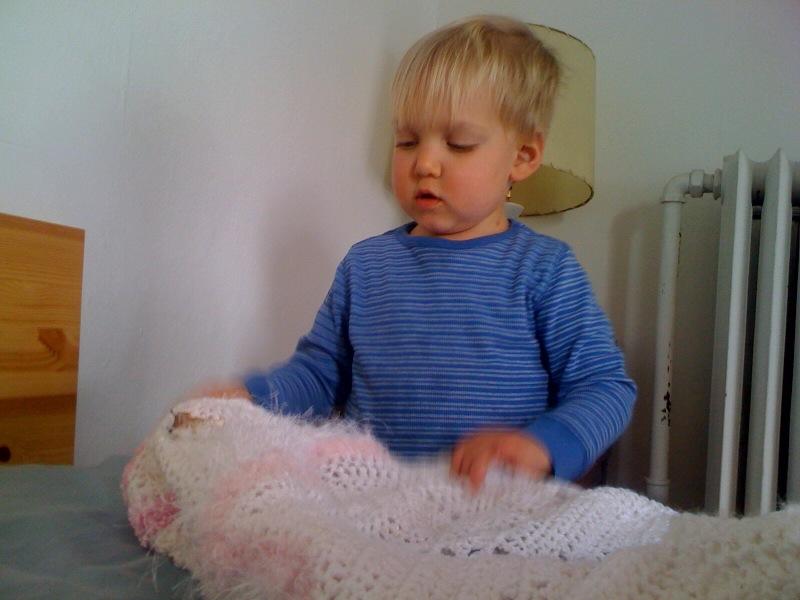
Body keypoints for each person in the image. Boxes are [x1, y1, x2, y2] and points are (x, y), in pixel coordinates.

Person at [189, 15, 636, 492]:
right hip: (374, 496)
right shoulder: (366, 266)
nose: (424, 163)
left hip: (498, 505)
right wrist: (252, 398)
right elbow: (319, 376)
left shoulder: (545, 269)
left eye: (459, 144)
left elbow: (605, 387)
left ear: (522, 157)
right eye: (406, 141)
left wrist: (544, 444)